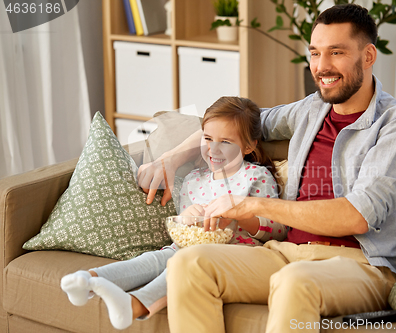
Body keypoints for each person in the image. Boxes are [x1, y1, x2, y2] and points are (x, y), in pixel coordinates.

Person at [139, 4, 396, 333]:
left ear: (368, 56)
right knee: (188, 263)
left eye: (336, 52)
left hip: (366, 265)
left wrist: (252, 204)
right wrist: (174, 155)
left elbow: (357, 215)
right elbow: (237, 124)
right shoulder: (310, 109)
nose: (322, 66)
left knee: (295, 281)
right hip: (285, 253)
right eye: (315, 53)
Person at [60, 96, 288, 330]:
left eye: (226, 142)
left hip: (235, 254)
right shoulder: (192, 181)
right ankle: (89, 280)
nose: (213, 149)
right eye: (208, 139)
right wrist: (187, 217)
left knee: (177, 265)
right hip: (187, 248)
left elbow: (278, 230)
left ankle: (134, 303)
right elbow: (182, 231)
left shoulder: (256, 177)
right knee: (154, 259)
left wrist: (241, 215)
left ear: (249, 146)